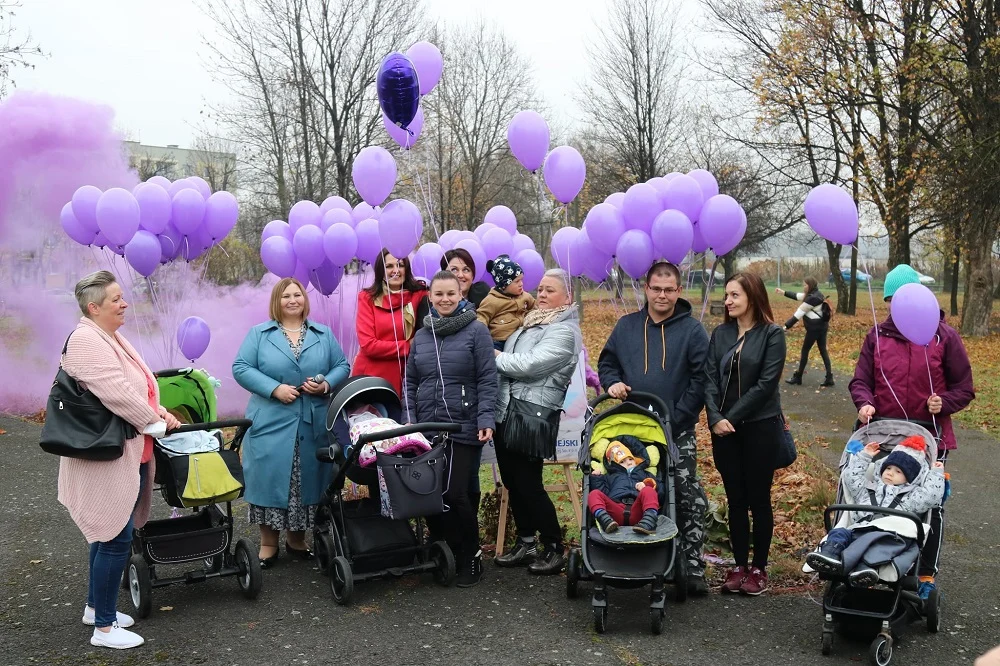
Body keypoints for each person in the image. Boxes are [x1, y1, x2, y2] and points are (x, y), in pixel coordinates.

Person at [58, 270, 182, 650]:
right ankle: (105, 629)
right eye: (115, 299)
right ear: (93, 307)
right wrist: (152, 421)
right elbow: (115, 394)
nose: (124, 303)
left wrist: (160, 412)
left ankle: (96, 609)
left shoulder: (108, 335)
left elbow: (138, 388)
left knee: (108, 533)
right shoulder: (85, 340)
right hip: (106, 459)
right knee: (114, 537)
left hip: (128, 453)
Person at [849, 263, 974, 600]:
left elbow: (965, 387)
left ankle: (924, 572)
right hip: (883, 433)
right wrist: (864, 403)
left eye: (903, 298)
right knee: (876, 498)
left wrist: (943, 402)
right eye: (891, 299)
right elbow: (860, 380)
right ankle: (868, 556)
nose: (896, 306)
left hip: (929, 437)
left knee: (926, 505)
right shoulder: (876, 336)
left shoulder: (943, 336)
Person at [597, 261, 711, 595]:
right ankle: (632, 558)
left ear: (678, 291)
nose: (662, 295)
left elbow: (701, 379)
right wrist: (613, 381)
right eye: (656, 289)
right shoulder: (627, 326)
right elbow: (607, 362)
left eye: (669, 289)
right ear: (646, 289)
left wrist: (676, 418)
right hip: (632, 430)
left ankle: (691, 567)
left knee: (687, 497)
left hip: (676, 430)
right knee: (635, 490)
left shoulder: (692, 331)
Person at [233, 278, 350, 568]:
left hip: (311, 423)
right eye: (286, 296)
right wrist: (275, 388)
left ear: (305, 300)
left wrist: (325, 386)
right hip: (270, 422)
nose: (293, 300)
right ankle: (268, 543)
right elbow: (241, 367)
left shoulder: (323, 334)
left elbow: (342, 366)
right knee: (270, 480)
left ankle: (296, 540)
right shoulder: (259, 334)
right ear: (277, 301)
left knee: (305, 481)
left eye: (297, 294)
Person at [405, 270, 498, 587]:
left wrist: (486, 419)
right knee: (429, 493)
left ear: (461, 296)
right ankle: (448, 548)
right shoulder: (421, 335)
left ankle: (471, 555)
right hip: (427, 427)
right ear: (430, 298)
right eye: (439, 294)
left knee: (455, 492)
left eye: (451, 294)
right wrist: (410, 418)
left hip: (464, 424)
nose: (445, 299)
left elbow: (487, 379)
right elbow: (411, 381)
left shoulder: (477, 331)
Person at [493, 269, 582, 575]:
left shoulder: (563, 330)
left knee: (530, 484)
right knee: (513, 482)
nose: (542, 295)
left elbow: (528, 366)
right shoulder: (528, 324)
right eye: (540, 289)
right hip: (506, 412)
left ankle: (555, 546)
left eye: (550, 290)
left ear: (566, 297)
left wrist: (490, 357)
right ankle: (527, 542)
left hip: (533, 415)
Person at [703, 272, 786, 596]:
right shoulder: (720, 334)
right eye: (726, 295)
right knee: (735, 500)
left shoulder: (772, 334)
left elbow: (766, 385)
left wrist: (730, 418)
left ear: (752, 296)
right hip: (723, 430)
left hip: (759, 427)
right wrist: (714, 417)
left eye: (734, 295)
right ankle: (738, 566)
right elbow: (708, 377)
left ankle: (759, 568)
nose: (728, 301)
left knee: (759, 499)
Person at [807, 436, 945, 586]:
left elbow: (931, 496)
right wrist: (864, 456)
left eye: (898, 471)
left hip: (887, 535)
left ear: (909, 478)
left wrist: (936, 473)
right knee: (839, 533)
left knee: (880, 547)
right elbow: (851, 478)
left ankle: (864, 569)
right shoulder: (868, 488)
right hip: (859, 530)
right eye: (888, 468)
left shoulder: (911, 498)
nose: (890, 473)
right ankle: (829, 556)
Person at [352, 249, 427, 395]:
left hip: (408, 376)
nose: (396, 271)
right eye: (389, 266)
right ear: (381, 270)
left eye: (400, 265)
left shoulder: (419, 294)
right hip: (372, 376)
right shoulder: (367, 298)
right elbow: (368, 345)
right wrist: (408, 345)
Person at [588, 439, 660, 535]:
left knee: (648, 491)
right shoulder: (610, 476)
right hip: (615, 512)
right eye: (622, 461)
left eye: (631, 459)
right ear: (614, 464)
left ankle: (650, 521)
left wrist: (647, 485)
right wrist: (596, 478)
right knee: (594, 494)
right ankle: (604, 519)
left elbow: (661, 492)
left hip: (639, 511)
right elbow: (602, 491)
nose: (629, 463)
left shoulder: (645, 474)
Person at [777, 277, 834, 387]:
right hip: (822, 327)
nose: (803, 287)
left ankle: (798, 377)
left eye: (805, 285)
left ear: (810, 285)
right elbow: (797, 296)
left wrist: (784, 327)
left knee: (805, 350)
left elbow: (797, 315)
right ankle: (829, 377)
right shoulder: (817, 294)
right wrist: (783, 292)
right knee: (823, 351)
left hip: (814, 329)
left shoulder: (811, 299)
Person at [477, 254, 536, 351]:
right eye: (516, 281)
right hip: (499, 341)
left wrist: (530, 318)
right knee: (492, 356)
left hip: (520, 337)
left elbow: (535, 307)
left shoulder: (525, 296)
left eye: (521, 280)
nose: (521, 284)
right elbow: (482, 317)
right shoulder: (491, 300)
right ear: (504, 285)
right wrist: (483, 337)